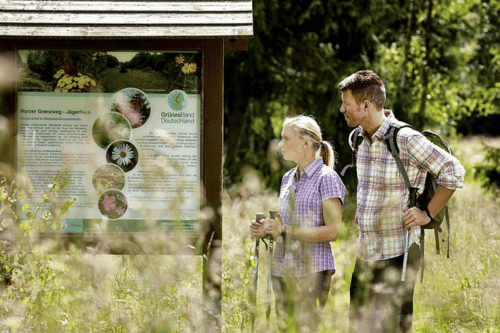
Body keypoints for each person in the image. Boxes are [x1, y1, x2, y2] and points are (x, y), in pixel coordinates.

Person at [338, 70, 465, 333]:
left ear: (366, 105)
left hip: (398, 255)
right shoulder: (359, 139)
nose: (342, 109)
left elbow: (454, 171)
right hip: (366, 253)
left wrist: (427, 213)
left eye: (346, 104)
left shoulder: (406, 139)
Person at [250, 115, 346, 332]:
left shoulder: (326, 178)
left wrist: (284, 229)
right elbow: (287, 223)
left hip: (312, 273)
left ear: (305, 142)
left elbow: (332, 231)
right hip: (283, 270)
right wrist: (268, 228)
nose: (280, 144)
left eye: (286, 138)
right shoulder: (287, 178)